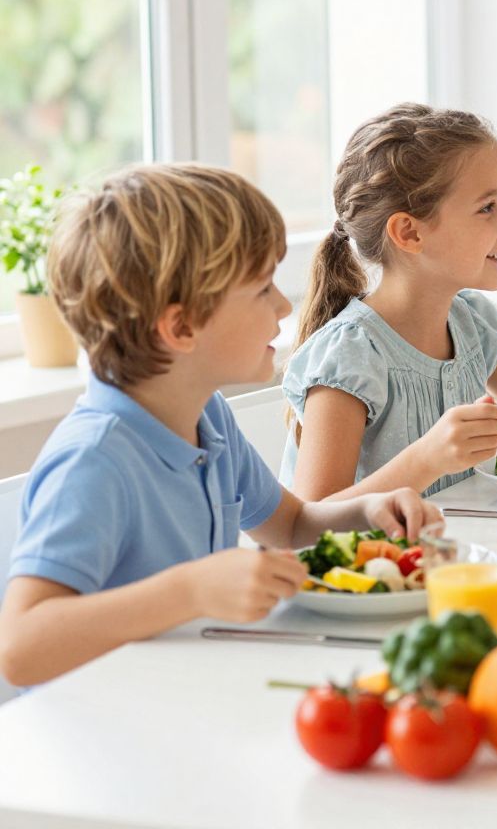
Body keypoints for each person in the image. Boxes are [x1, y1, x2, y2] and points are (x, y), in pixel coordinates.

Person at [0, 166, 439, 687]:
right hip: (112, 730)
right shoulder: (95, 459)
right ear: (181, 326)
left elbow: (291, 526)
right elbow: (19, 647)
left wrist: (365, 510)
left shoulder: (207, 415)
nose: (283, 305)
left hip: (193, 694)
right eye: (261, 290)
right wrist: (189, 591)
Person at [282, 103, 497, 500]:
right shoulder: (352, 355)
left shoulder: (472, 323)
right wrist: (428, 459)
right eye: (487, 207)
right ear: (409, 233)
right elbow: (311, 520)